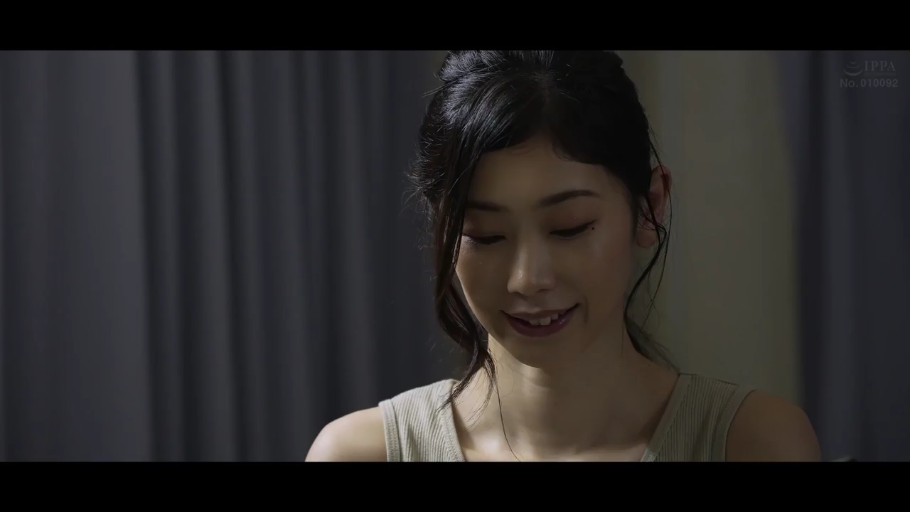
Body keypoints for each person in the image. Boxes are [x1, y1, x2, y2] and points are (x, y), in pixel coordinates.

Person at [306, 50, 821, 462]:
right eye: (485, 235)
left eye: (569, 228)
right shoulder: (360, 453)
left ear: (650, 207)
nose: (527, 279)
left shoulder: (751, 443)